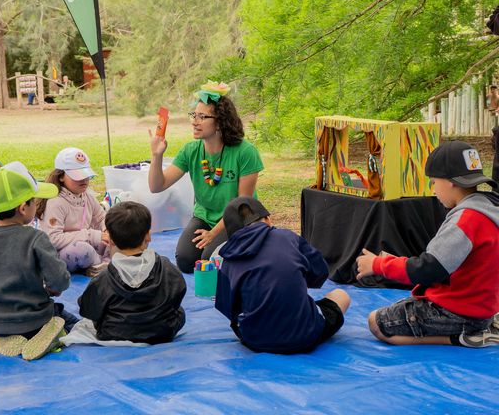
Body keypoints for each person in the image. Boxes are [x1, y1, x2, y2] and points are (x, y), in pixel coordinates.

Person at [357, 141, 499, 347]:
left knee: (377, 323)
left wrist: (378, 265)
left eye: (433, 182)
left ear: (451, 182)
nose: (433, 190)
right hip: (482, 308)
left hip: (458, 313)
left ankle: (461, 338)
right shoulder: (489, 209)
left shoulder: (466, 220)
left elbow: (429, 269)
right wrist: (396, 261)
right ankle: (477, 329)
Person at [148, 80, 264, 273]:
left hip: (237, 218)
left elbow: (243, 203)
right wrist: (156, 155)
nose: (194, 121)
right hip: (205, 216)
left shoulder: (245, 152)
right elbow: (156, 186)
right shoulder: (191, 150)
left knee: (209, 260)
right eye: (194, 115)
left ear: (219, 122)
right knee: (185, 261)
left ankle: (252, 248)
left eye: (202, 117)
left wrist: (213, 234)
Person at [0, 162, 75, 360]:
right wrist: (52, 288)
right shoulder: (35, 238)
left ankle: (4, 339)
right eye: (34, 201)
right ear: (23, 208)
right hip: (34, 319)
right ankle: (52, 334)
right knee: (71, 323)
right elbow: (60, 280)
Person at [215, 197, 350, 353]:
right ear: (267, 219)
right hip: (305, 335)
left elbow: (227, 307)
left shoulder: (229, 258)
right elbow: (320, 273)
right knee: (341, 295)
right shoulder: (288, 237)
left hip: (255, 340)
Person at [78, 201, 186, 344]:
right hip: (163, 331)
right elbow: (179, 293)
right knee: (180, 312)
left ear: (110, 240)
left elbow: (88, 309)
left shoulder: (104, 278)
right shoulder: (166, 267)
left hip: (113, 332)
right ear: (148, 236)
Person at [37, 147, 110, 276]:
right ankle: (101, 266)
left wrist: (107, 231)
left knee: (119, 236)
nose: (84, 180)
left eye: (86, 175)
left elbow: (101, 218)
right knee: (82, 250)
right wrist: (91, 236)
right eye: (77, 177)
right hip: (60, 254)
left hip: (86, 243)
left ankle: (104, 263)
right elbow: (53, 239)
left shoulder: (86, 195)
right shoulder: (56, 202)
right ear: (61, 177)